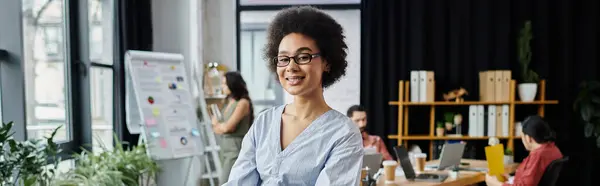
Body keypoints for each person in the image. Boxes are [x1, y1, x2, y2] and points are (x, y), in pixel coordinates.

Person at [223, 6, 363, 185]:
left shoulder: (343, 134)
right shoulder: (264, 122)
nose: (291, 67)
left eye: (303, 57)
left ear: (327, 63)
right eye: (283, 59)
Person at [485, 115, 563, 186]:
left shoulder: (538, 157)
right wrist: (510, 179)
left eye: (522, 137)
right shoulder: (552, 149)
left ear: (528, 138)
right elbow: (534, 179)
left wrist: (496, 184)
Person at [210, 71, 254, 184]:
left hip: (235, 148)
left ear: (232, 84)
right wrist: (219, 126)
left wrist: (218, 125)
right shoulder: (229, 101)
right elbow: (219, 127)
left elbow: (228, 128)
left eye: (224, 84)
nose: (222, 86)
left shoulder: (243, 103)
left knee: (227, 182)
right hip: (224, 147)